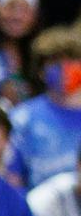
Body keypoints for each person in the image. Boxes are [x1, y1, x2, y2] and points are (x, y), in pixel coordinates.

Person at [9, 26, 81, 191]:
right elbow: (13, 179)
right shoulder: (21, 119)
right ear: (41, 71)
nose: (65, 68)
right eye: (55, 62)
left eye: (72, 60)